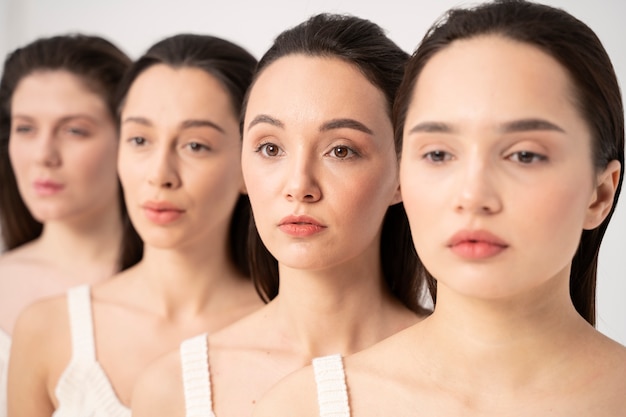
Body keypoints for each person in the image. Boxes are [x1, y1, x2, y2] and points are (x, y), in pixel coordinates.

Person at [253, 1, 626, 416]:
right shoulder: (299, 407)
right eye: (438, 154)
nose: (472, 194)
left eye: (524, 156)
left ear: (600, 195)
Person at [131, 13, 430, 417]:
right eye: (271, 148)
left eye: (340, 150)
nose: (298, 184)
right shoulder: (172, 389)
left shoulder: (459, 374)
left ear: (401, 174)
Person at [7, 33, 263, 416]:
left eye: (195, 145)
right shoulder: (47, 328)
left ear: (249, 163)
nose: (160, 175)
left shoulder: (290, 330)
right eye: (140, 139)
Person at [0, 34, 142, 417]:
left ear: (130, 138)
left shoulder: (180, 291)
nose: (43, 155)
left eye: (74, 130)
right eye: (25, 129)